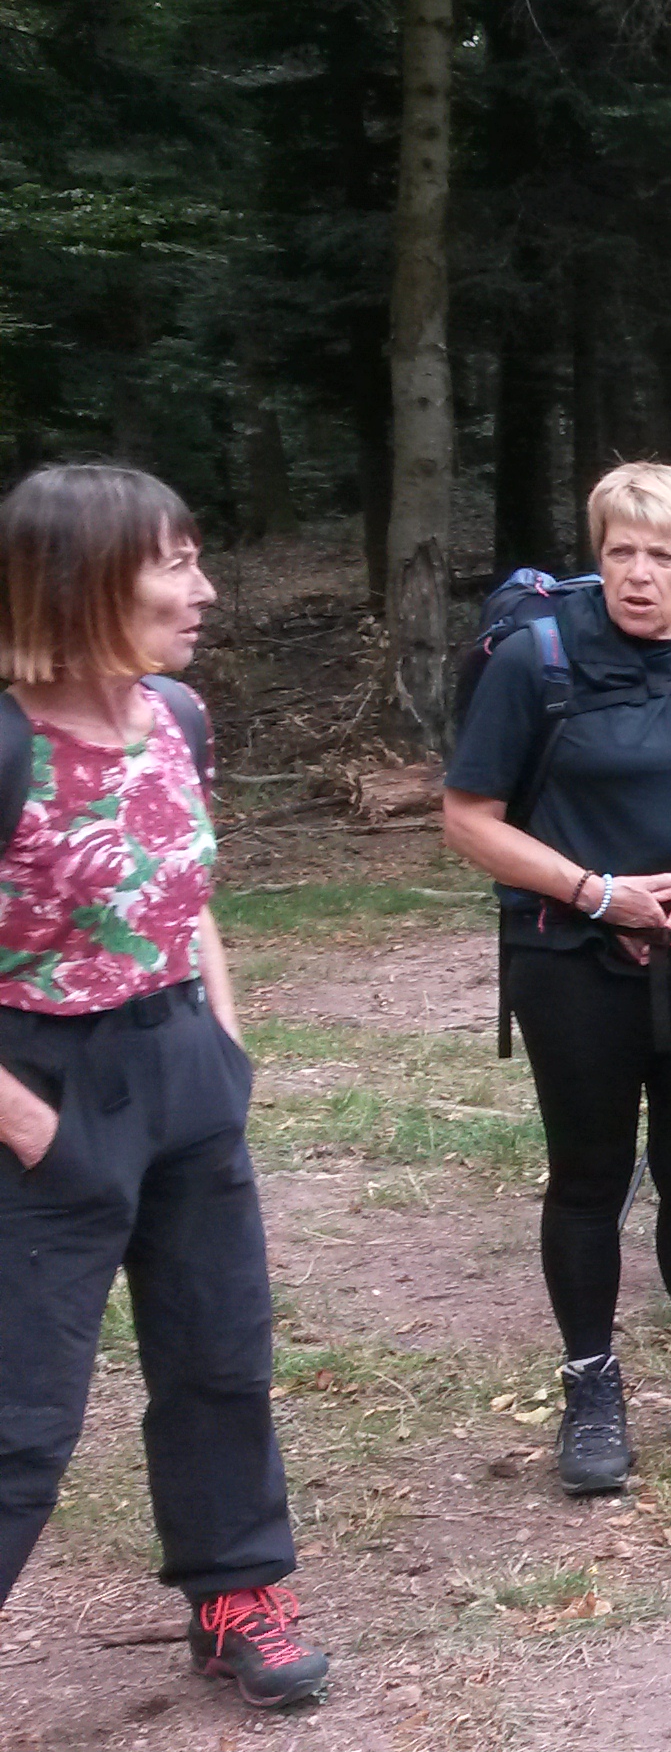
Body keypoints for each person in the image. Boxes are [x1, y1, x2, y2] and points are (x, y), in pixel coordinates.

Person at [0, 465, 329, 1708]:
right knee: (20, 1418)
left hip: (184, 1068)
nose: (205, 591)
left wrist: (222, 1040)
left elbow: (184, 895)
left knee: (218, 1357)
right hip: (41, 1084)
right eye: (176, 564)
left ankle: (238, 1593)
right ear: (85, 579)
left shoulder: (178, 717)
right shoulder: (8, 743)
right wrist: (30, 1121)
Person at [442, 461, 671, 1496]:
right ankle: (591, 1390)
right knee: (590, 1175)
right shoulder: (536, 660)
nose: (639, 575)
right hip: (571, 959)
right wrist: (596, 894)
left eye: (663, 556)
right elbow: (469, 818)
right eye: (621, 553)